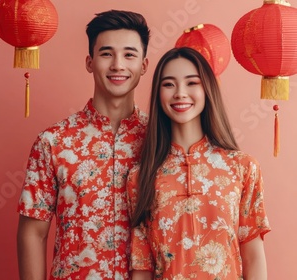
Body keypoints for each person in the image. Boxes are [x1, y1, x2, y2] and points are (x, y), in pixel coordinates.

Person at [16, 10, 150, 279]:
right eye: (106, 54)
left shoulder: (159, 140)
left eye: (129, 55)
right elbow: (33, 232)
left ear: (144, 66)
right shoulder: (53, 142)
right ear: (90, 62)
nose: (118, 65)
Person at [127, 47, 271, 279]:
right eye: (169, 84)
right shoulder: (141, 177)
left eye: (192, 83)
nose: (180, 93)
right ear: (158, 94)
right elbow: (142, 266)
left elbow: (253, 257)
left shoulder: (242, 167)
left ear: (207, 89)